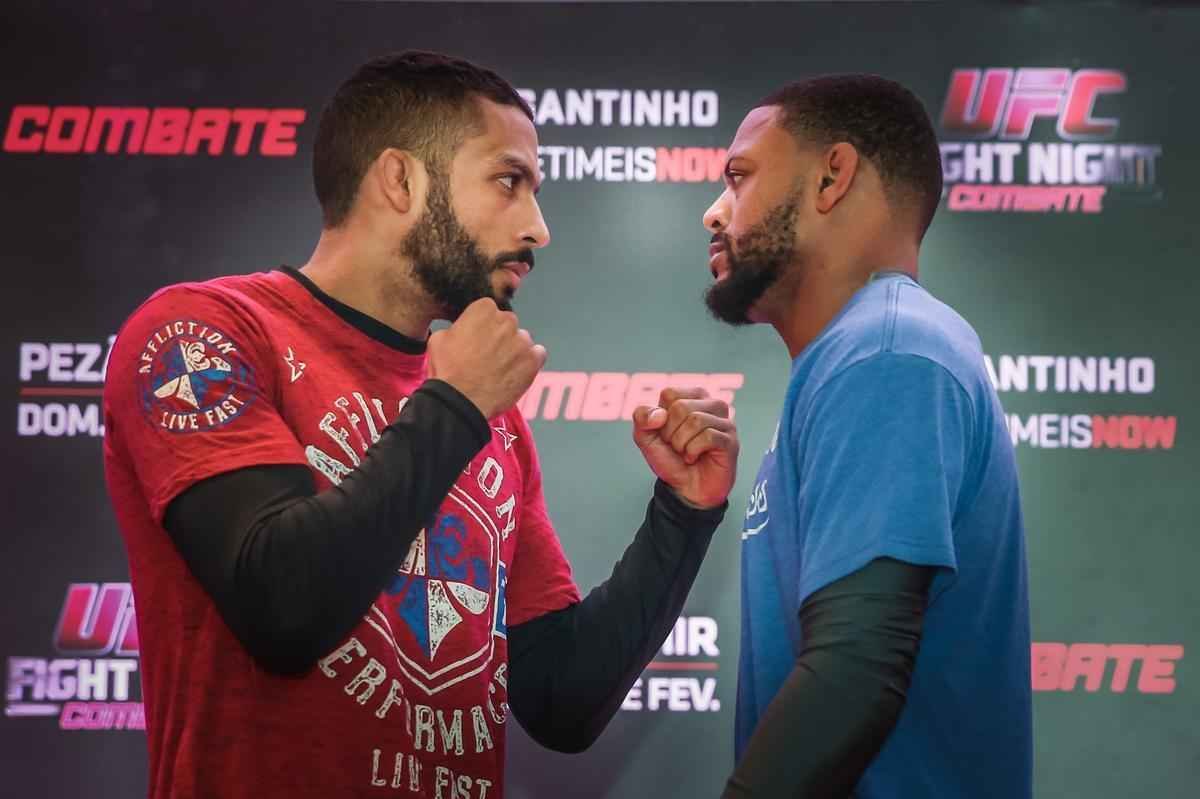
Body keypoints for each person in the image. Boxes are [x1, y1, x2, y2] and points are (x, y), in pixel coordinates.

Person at [102, 50, 739, 799]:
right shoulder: (204, 333)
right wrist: (457, 406)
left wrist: (683, 513)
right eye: (510, 182)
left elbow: (562, 699)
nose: (539, 228)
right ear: (399, 180)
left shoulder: (483, 415)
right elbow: (282, 607)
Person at [702, 75, 1031, 798]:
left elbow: (855, 668)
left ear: (832, 176)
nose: (712, 211)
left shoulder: (886, 352)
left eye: (739, 176)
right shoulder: (860, 358)